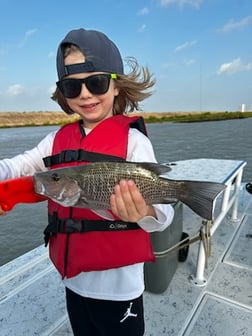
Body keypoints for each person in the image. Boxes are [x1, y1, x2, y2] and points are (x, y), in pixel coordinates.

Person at [0, 28, 174, 335]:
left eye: (96, 82)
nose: (85, 94)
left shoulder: (134, 142)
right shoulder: (55, 140)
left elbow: (164, 215)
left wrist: (144, 212)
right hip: (73, 282)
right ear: (63, 93)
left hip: (121, 291)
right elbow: (18, 167)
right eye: (72, 86)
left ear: (117, 86)